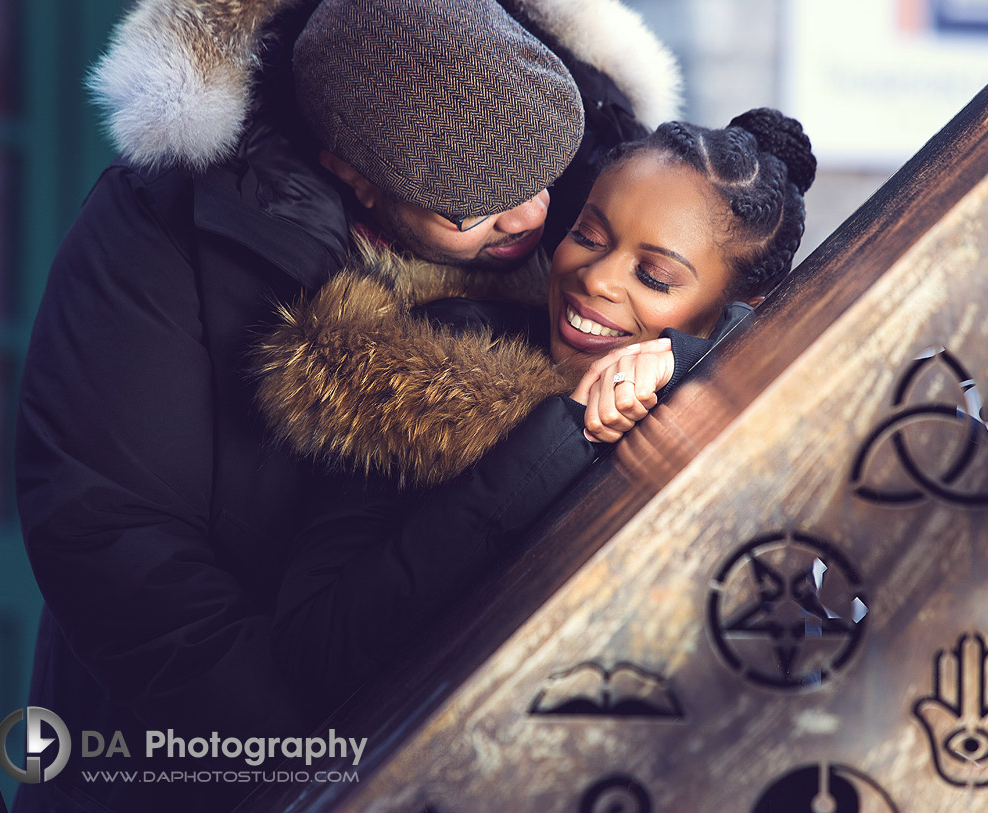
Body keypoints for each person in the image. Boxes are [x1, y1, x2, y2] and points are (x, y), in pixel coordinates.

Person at [13, 0, 679, 810]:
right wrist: (318, 771)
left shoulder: (575, 166)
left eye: (541, 177)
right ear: (349, 173)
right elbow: (115, 539)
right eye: (474, 205)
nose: (533, 215)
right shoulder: (159, 229)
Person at [253, 108, 817, 723]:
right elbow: (314, 648)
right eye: (589, 236)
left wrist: (692, 362)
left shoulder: (764, 438)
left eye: (652, 275)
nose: (594, 277)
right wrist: (563, 435)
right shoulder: (436, 363)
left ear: (739, 308)